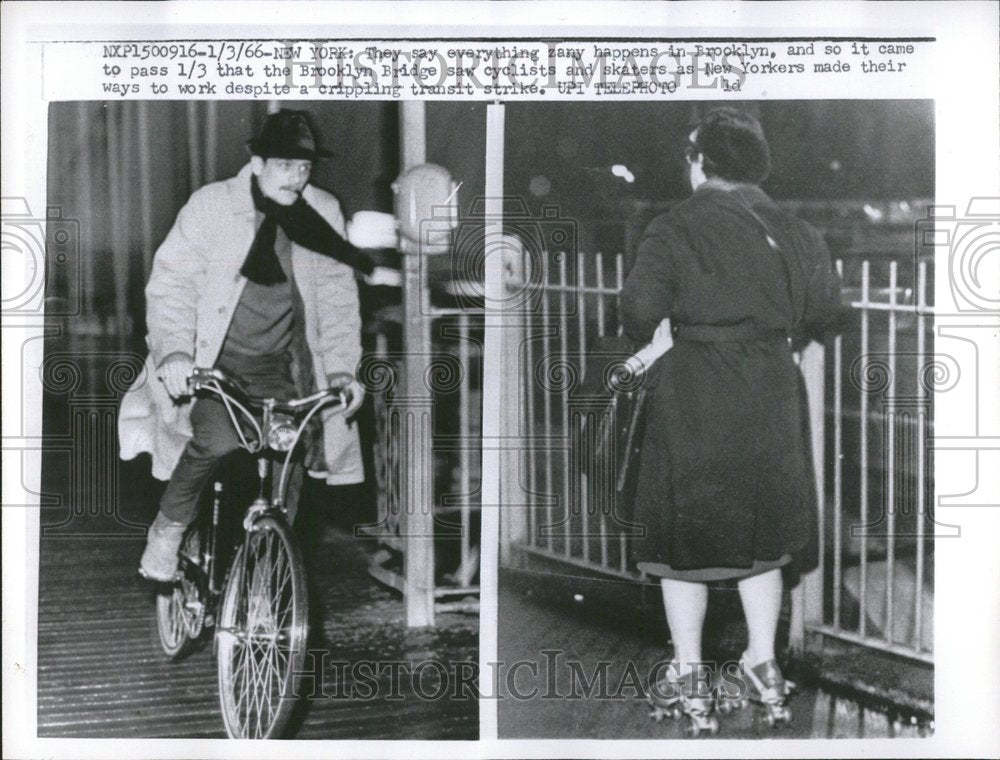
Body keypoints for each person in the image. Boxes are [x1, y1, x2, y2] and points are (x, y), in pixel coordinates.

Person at [620, 107, 841, 732]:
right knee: (764, 534)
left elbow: (639, 308)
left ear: (699, 162)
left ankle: (690, 678)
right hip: (772, 387)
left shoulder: (674, 225)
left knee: (681, 543)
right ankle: (763, 665)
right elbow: (825, 307)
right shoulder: (795, 228)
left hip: (695, 389)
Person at [119, 109, 398, 582]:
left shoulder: (322, 211)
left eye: (306, 167)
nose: (298, 177)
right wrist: (174, 353)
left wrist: (342, 371)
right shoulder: (211, 206)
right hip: (214, 361)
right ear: (259, 161)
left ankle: (268, 579)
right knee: (217, 437)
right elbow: (172, 286)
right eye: (287, 165)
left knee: (288, 457)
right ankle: (168, 530)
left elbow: (335, 298)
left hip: (279, 365)